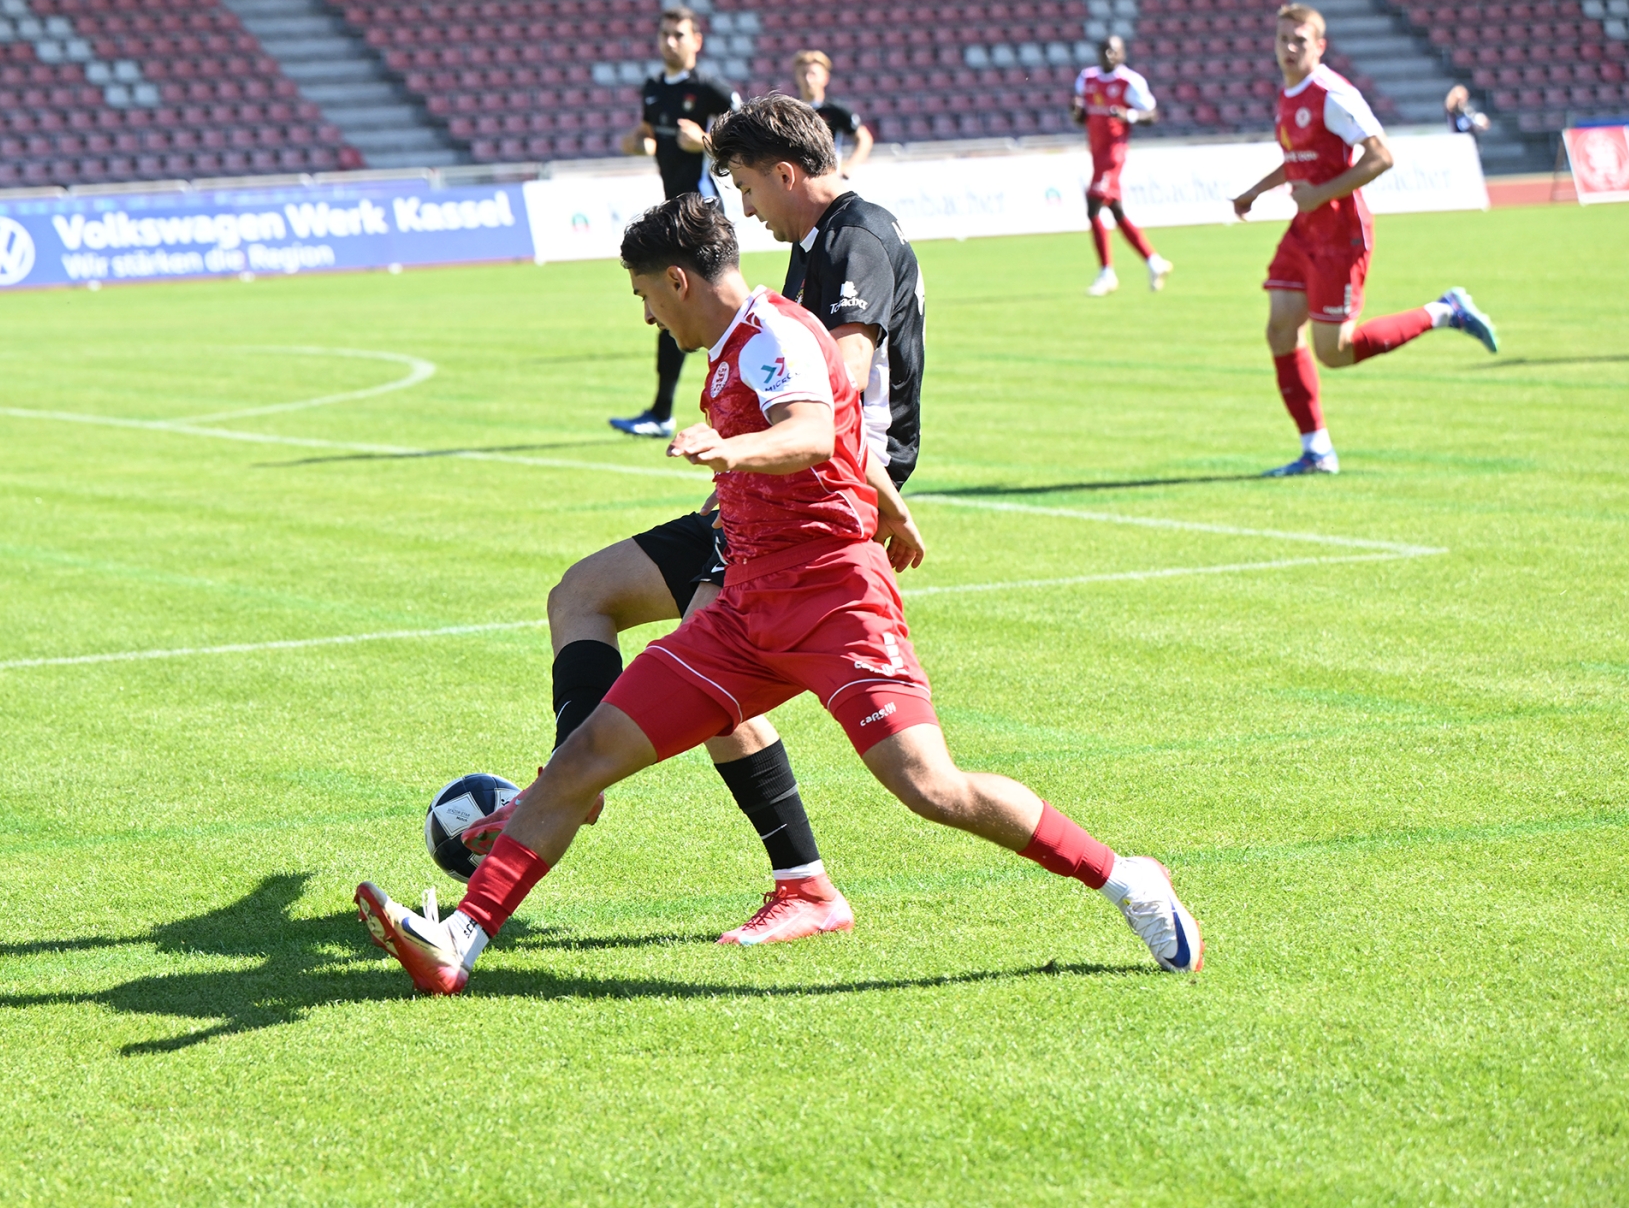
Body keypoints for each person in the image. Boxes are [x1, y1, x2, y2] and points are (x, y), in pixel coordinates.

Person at [354, 194, 1203, 995]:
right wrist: (888, 502)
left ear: (678, 280)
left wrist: (733, 451)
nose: (647, 316)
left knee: (929, 785)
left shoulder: (772, 335)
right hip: (743, 612)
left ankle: (1127, 879)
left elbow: (809, 430)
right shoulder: (736, 346)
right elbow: (842, 434)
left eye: (645, 296)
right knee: (586, 754)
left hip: (834, 603)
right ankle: (461, 939)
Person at [478, 96, 929, 946]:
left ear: (785, 173)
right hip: (755, 485)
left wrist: (877, 496)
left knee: (714, 664)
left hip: (811, 498)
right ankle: (572, 776)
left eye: (747, 185)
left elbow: (832, 402)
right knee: (584, 593)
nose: (746, 208)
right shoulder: (816, 244)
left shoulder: (855, 239)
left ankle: (802, 884)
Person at [1232, 4, 1500, 477]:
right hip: (1305, 229)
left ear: (1320, 46)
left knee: (1334, 352)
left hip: (1340, 234)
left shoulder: (1333, 94)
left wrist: (1319, 194)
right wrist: (1256, 190)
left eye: (1299, 40)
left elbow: (1381, 157)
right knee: (1280, 329)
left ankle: (1445, 310)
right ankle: (1317, 452)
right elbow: (1299, 161)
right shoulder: (1289, 93)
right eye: (1282, 39)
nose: (1289, 48)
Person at [610, 5, 742, 440]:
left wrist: (704, 141)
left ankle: (691, 410)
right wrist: (638, 141)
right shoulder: (653, 89)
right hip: (673, 211)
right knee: (671, 307)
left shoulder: (710, 89)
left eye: (679, 34)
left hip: (703, 214)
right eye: (665, 34)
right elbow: (648, 133)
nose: (670, 41)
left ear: (696, 41)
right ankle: (663, 411)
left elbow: (747, 138)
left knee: (703, 309)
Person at [1072, 35, 1174, 297]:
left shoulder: (1130, 82)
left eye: (1113, 51)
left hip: (1113, 154)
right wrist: (1076, 111)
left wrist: (1128, 114)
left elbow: (1152, 114)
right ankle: (1154, 262)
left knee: (1093, 203)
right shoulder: (1087, 79)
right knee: (1115, 210)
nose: (1108, 55)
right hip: (1096, 154)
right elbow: (1081, 118)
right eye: (1104, 50)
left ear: (1122, 54)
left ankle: (1107, 273)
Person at [791, 50, 874, 174]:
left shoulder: (835, 110)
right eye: (803, 74)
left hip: (829, 175)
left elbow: (864, 139)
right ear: (796, 77)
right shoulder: (791, 111)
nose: (808, 79)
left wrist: (850, 166)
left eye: (813, 74)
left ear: (825, 78)